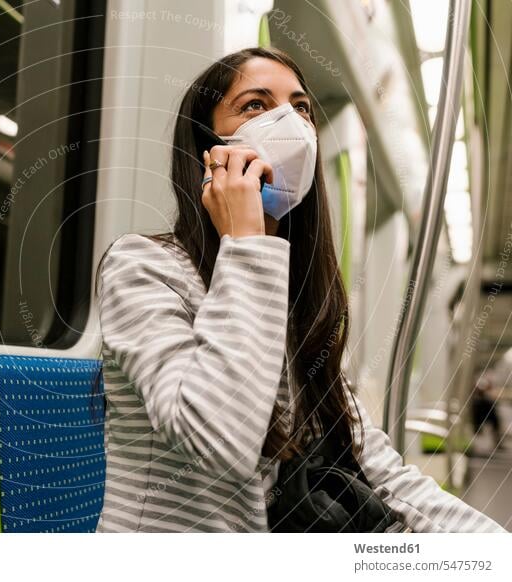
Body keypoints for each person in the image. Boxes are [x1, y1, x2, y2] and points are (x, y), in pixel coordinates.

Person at [93, 47, 505, 533]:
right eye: (255, 105)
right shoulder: (142, 265)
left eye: (301, 108)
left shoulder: (290, 297)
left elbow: (378, 467)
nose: (289, 122)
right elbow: (217, 440)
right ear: (207, 146)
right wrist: (247, 241)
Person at [471, 372, 505, 451]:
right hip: (481, 413)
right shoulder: (479, 401)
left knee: (495, 425)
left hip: (485, 412)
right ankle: (477, 445)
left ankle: (497, 442)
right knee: (480, 428)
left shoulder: (487, 400)